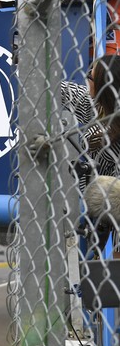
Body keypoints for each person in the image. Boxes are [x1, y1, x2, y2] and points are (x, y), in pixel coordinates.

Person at [61, 54, 120, 253]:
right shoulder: (92, 105)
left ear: (105, 85)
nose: (86, 78)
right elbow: (60, 89)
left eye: (90, 75)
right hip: (93, 201)